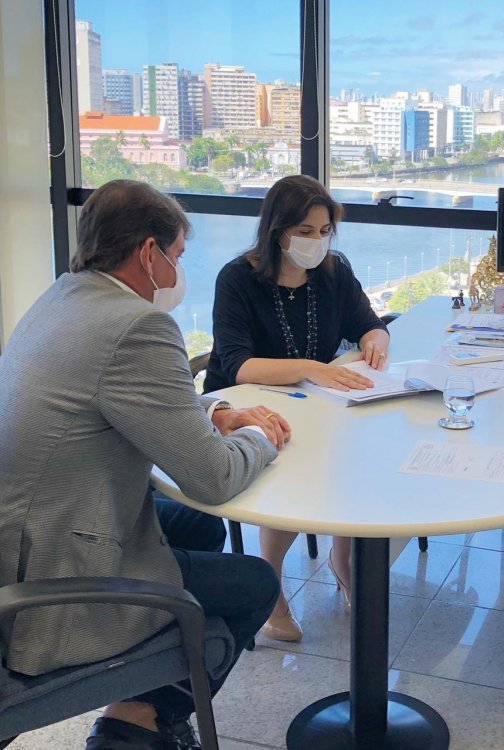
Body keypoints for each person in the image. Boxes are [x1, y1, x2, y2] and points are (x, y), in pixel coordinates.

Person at [0, 179, 294, 750]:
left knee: (200, 527)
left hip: (30, 533)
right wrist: (260, 435)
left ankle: (145, 701)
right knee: (254, 584)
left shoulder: (65, 296)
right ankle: (138, 720)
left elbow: (126, 396)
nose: (180, 271)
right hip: (55, 574)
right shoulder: (138, 325)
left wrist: (219, 411)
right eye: (178, 255)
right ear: (148, 253)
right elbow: (213, 478)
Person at [204, 174, 390, 643]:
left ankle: (343, 560)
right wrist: (312, 368)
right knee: (290, 465)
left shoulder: (333, 271)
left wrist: (375, 340)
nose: (317, 241)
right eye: (305, 231)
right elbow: (238, 365)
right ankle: (271, 584)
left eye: (325, 231)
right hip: (243, 408)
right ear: (277, 231)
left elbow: (370, 323)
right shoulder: (238, 279)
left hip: (312, 399)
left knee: (354, 454)